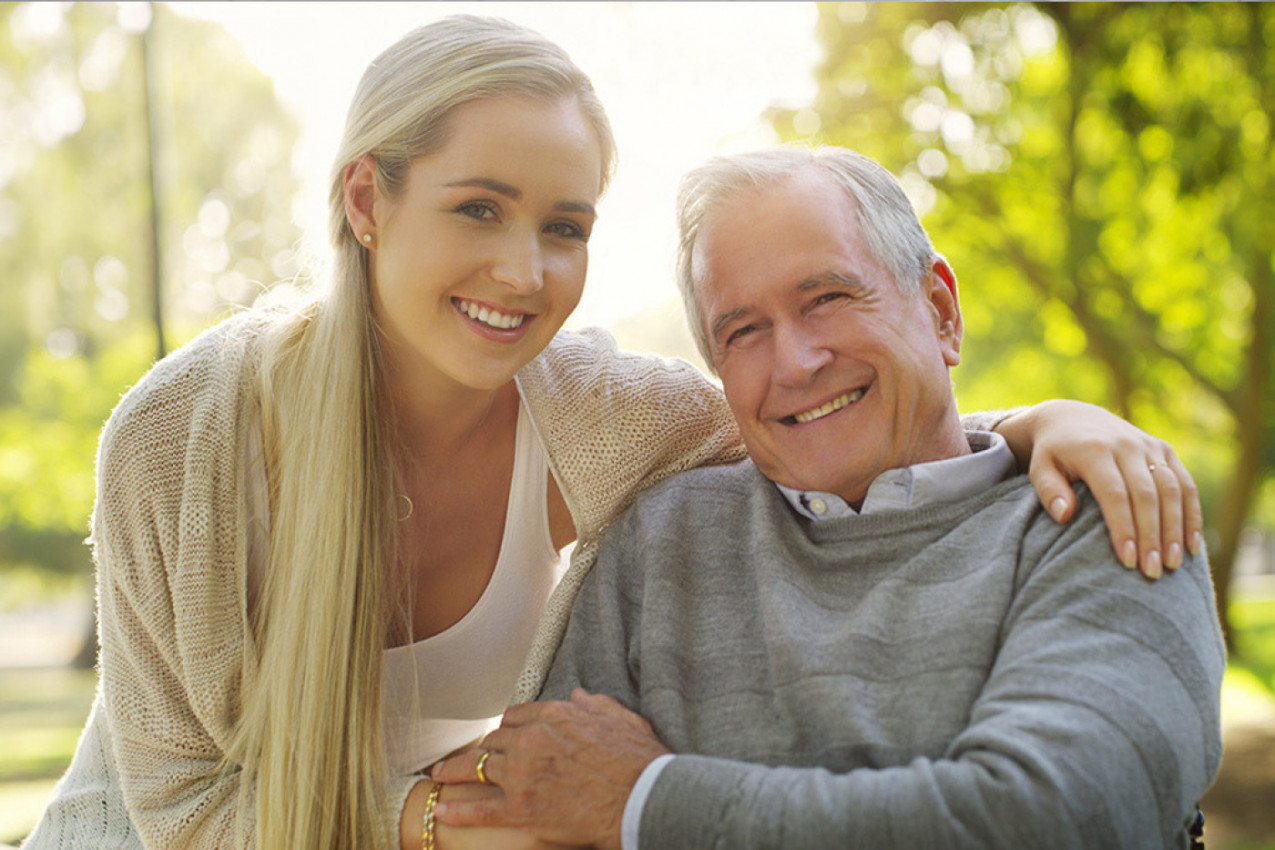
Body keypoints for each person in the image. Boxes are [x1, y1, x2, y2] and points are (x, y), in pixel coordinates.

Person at [25, 16, 1199, 850]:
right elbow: (176, 806)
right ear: (367, 200)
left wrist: (1048, 423)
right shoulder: (182, 437)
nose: (522, 270)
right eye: (478, 207)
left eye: (565, 224)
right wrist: (424, 820)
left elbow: (841, 427)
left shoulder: (609, 420)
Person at [429, 146, 1226, 849]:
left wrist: (645, 803)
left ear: (941, 311)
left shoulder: (1100, 513)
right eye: (742, 331)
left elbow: (1053, 822)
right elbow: (544, 810)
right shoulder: (659, 541)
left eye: (827, 298)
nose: (797, 361)